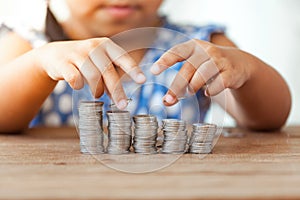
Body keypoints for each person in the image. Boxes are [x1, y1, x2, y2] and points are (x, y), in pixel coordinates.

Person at [0, 0, 291, 133]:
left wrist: (248, 71)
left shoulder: (200, 45)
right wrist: (39, 65)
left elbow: (265, 120)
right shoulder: (31, 47)